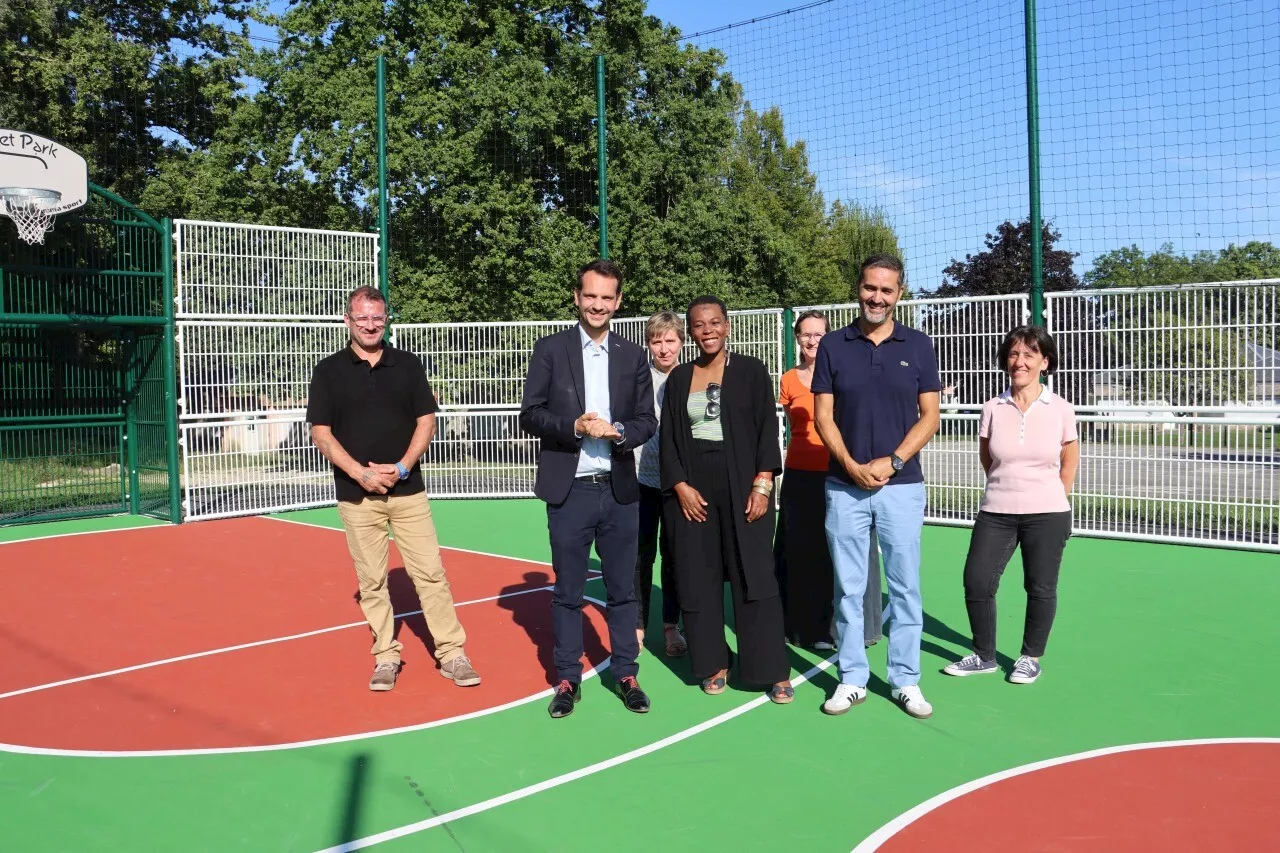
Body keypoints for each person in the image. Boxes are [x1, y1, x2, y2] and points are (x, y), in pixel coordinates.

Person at [307, 285, 482, 693]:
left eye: (377, 317)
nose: (370, 325)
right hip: (357, 497)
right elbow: (321, 433)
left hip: (409, 493)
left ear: (386, 320)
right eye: (362, 318)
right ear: (347, 321)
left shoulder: (407, 365)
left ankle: (451, 653)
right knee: (371, 581)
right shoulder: (328, 371)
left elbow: (426, 421)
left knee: (431, 575)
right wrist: (361, 474)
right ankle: (386, 656)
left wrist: (403, 467)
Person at [519, 259, 658, 718]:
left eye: (607, 297)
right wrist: (573, 426)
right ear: (577, 298)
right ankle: (567, 678)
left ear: (618, 302)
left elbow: (645, 421)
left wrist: (619, 430)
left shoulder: (634, 355)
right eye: (590, 296)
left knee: (623, 590)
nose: (598, 305)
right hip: (570, 490)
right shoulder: (550, 349)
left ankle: (625, 672)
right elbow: (531, 414)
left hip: (618, 489)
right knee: (568, 593)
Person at [813, 254, 941, 720]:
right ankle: (852, 678)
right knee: (848, 588)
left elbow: (930, 416)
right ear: (858, 288)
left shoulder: (920, 345)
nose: (877, 297)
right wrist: (849, 463)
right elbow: (823, 416)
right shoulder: (832, 345)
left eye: (887, 290)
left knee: (905, 587)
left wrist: (894, 461)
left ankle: (906, 680)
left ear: (899, 294)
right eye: (871, 288)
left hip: (902, 486)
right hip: (844, 486)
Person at [661, 295, 794, 704]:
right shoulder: (679, 378)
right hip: (694, 487)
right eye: (699, 325)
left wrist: (762, 485)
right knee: (698, 578)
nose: (708, 331)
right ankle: (712, 662)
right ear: (690, 331)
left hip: (745, 484)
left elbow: (765, 432)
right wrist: (680, 486)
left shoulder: (752, 371)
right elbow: (668, 438)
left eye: (715, 322)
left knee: (754, 574)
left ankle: (771, 669)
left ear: (727, 325)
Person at [944, 326, 1078, 685]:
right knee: (977, 580)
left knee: (1040, 587)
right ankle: (984, 655)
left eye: (1029, 355)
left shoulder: (1061, 409)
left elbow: (1069, 462)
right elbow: (988, 458)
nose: (1020, 362)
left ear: (1045, 362)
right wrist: (1009, 487)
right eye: (1014, 354)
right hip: (996, 511)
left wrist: (1054, 498)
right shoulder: (992, 407)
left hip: (1048, 512)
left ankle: (1029, 657)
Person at [776, 310, 882, 652]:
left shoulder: (842, 374)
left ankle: (851, 627)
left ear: (828, 337)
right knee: (802, 552)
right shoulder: (788, 379)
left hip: (838, 472)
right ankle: (804, 627)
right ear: (797, 339)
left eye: (818, 334)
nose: (811, 340)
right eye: (805, 335)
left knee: (842, 551)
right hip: (798, 476)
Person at [633, 311, 686, 657]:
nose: (664, 348)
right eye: (657, 341)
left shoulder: (694, 378)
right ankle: (636, 627)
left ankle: (671, 626)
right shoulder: (637, 380)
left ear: (682, 342)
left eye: (670, 340)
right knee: (640, 557)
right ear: (649, 344)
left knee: (675, 556)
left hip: (679, 483)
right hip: (639, 479)